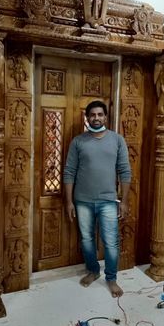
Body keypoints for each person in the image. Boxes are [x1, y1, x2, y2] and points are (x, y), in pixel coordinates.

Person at [63, 100, 131, 297]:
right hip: (82, 201)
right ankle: (93, 271)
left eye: (100, 114)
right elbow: (69, 172)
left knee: (111, 242)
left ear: (105, 117)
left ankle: (111, 278)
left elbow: (125, 171)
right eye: (92, 115)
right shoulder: (78, 142)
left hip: (109, 201)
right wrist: (69, 202)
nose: (96, 118)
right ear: (87, 118)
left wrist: (124, 201)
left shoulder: (117, 140)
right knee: (86, 239)